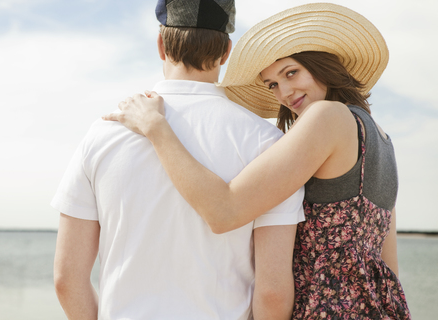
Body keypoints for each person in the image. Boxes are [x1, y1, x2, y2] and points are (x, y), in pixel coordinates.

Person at [103, 3, 412, 319]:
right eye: (273, 84)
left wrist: (156, 128)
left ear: (322, 65)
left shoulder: (328, 116)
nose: (285, 93)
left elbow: (224, 211)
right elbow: (389, 269)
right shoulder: (381, 139)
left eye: (291, 73)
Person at [52, 0, 305, 319]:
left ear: (161, 44)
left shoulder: (103, 134)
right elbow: (272, 292)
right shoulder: (268, 142)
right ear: (226, 52)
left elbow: (66, 279)